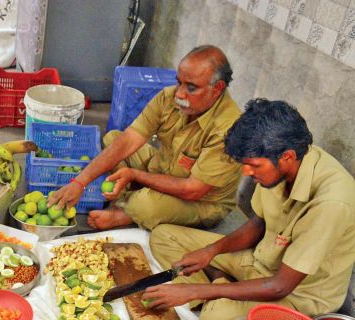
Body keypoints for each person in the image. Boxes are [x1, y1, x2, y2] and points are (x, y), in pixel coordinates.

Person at [143, 98, 355, 320]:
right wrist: (211, 251)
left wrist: (195, 289)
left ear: (287, 157)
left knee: (212, 319)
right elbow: (258, 223)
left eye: (254, 165)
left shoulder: (331, 202)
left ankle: (214, 297)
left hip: (297, 294)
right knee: (164, 236)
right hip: (260, 262)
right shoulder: (280, 163)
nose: (246, 172)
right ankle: (221, 287)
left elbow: (280, 286)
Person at [48, 45, 242, 231]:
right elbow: (130, 139)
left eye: (191, 87)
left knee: (144, 204)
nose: (180, 93)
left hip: (199, 202)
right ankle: (127, 196)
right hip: (162, 169)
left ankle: (126, 212)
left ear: (217, 89)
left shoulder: (228, 128)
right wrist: (79, 182)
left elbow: (193, 190)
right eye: (179, 82)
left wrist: (134, 175)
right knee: (115, 138)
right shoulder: (169, 97)